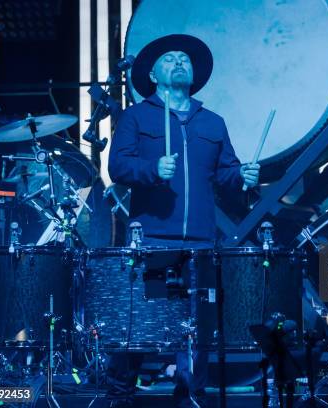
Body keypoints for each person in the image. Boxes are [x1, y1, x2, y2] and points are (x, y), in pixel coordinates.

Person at [108, 34, 260, 407]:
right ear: (154, 75)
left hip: (201, 243)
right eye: (170, 59)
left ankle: (190, 397)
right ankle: (120, 395)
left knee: (196, 330)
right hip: (155, 241)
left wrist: (243, 176)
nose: (179, 62)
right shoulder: (137, 116)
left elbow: (225, 175)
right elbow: (117, 166)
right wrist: (151, 168)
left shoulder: (212, 122)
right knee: (144, 323)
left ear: (193, 76)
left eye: (185, 60)